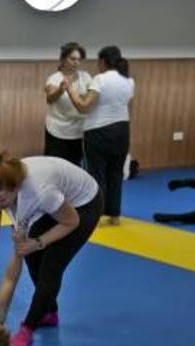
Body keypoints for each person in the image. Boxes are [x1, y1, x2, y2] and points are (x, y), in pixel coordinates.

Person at [0, 152, 103, 346]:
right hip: (58, 202)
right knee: (29, 254)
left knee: (51, 267)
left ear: (15, 188)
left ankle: (28, 328)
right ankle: (49, 312)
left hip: (84, 205)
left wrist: (39, 242)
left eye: (2, 200)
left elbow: (71, 221)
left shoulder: (39, 192)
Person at [66, 45, 134, 226]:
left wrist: (70, 90)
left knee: (96, 175)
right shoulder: (129, 81)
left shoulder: (100, 79)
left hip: (99, 132)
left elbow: (83, 106)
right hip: (122, 130)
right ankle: (115, 216)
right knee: (116, 173)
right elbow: (128, 108)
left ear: (103, 62)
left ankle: (94, 216)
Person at [44, 42, 91, 165]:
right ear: (63, 59)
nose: (77, 63)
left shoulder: (85, 77)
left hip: (78, 130)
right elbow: (49, 99)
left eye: (79, 60)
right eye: (73, 59)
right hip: (57, 130)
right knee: (55, 166)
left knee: (74, 167)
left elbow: (89, 99)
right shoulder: (54, 78)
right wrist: (60, 90)